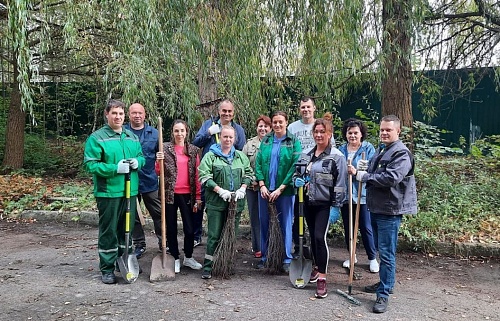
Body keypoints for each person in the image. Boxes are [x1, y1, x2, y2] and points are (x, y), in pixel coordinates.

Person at [353, 115, 417, 313]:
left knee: (387, 253)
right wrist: (363, 169)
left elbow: (392, 177)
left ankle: (384, 294)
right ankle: (383, 283)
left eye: (388, 130)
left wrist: (367, 176)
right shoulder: (383, 149)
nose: (384, 133)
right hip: (377, 206)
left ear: (398, 131)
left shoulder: (401, 153)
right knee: (382, 250)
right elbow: (376, 169)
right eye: (382, 130)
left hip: (390, 210)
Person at [83, 99, 145, 284]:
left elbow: (141, 157)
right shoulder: (97, 138)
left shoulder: (131, 136)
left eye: (121, 114)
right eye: (114, 113)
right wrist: (114, 168)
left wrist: (137, 162)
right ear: (107, 114)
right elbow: (90, 165)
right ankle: (107, 268)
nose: (118, 117)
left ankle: (124, 260)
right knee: (109, 230)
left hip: (129, 191)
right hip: (108, 192)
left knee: (127, 229)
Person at [293, 118, 347, 298]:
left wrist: (336, 207)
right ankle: (317, 268)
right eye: (316, 132)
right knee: (311, 237)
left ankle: (322, 279)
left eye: (322, 132)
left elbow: (340, 185)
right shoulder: (307, 154)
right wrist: (296, 181)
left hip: (325, 205)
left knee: (319, 237)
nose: (318, 135)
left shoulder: (337, 156)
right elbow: (296, 174)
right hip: (308, 203)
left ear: (329, 134)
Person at [198, 125, 253, 279]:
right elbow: (204, 177)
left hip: (235, 205)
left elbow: (248, 174)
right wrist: (220, 191)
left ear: (234, 139)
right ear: (220, 137)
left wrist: (242, 188)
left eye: (230, 137)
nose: (228, 140)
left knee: (230, 235)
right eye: (225, 137)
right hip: (216, 203)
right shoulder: (210, 156)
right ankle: (208, 267)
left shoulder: (241, 157)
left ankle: (226, 264)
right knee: (214, 236)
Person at [192, 99, 247, 247]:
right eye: (224, 111)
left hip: (229, 175)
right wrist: (208, 133)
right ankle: (196, 236)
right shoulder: (208, 125)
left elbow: (241, 151)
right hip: (210, 174)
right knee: (201, 202)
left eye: (229, 111)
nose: (226, 114)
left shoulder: (239, 130)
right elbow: (195, 143)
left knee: (228, 207)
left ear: (233, 113)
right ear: (219, 111)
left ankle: (225, 238)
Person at [288, 97, 336, 257]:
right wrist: (295, 177)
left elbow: (333, 155)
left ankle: (319, 259)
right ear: (299, 109)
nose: (305, 109)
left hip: (320, 184)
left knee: (317, 229)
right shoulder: (292, 128)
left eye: (308, 106)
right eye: (303, 107)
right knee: (298, 217)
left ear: (314, 108)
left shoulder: (323, 126)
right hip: (299, 179)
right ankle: (300, 249)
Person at [255, 111, 301, 273]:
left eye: (280, 122)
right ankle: (266, 257)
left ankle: (286, 259)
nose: (277, 125)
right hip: (265, 190)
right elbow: (258, 162)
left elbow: (294, 166)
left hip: (285, 191)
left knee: (286, 223)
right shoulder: (266, 140)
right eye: (275, 122)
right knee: (264, 221)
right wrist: (261, 184)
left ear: (286, 122)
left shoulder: (293, 142)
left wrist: (282, 188)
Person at [155, 120, 203, 273]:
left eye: (182, 130)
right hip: (169, 193)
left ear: (186, 132)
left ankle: (188, 257)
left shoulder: (194, 150)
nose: (179, 134)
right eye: (176, 131)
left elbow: (197, 174)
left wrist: (198, 196)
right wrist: (158, 160)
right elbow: (158, 172)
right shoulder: (165, 148)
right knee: (171, 228)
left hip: (187, 194)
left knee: (190, 229)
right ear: (172, 132)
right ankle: (175, 257)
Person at [338, 118, 378, 273]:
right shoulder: (342, 149)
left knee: (365, 226)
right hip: (346, 195)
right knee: (348, 227)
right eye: (349, 133)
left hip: (362, 194)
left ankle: (372, 258)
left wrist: (356, 172)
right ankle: (352, 255)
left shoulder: (367, 149)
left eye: (356, 133)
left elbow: (372, 169)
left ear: (361, 134)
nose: (352, 136)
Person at [124, 103, 162, 259]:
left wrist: (161, 158)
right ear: (129, 114)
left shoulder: (154, 133)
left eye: (140, 113)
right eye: (134, 113)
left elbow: (161, 156)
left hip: (149, 181)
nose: (137, 115)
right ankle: (139, 244)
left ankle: (163, 242)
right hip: (129, 181)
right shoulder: (123, 132)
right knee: (132, 214)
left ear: (145, 115)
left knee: (159, 213)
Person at [242, 115, 272, 259]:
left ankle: (271, 245)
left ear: (270, 128)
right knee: (256, 218)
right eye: (260, 126)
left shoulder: (274, 142)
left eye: (266, 126)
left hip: (270, 189)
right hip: (253, 188)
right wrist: (254, 180)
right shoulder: (249, 145)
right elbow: (243, 165)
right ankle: (258, 247)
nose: (263, 128)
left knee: (270, 217)